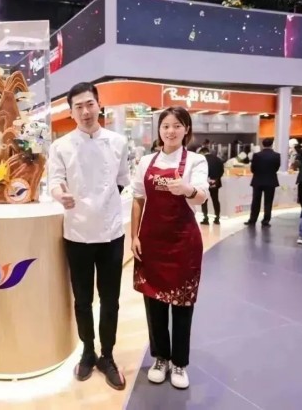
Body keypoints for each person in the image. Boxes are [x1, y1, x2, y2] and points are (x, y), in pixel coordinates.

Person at [48, 82, 130, 390]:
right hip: (77, 233)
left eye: (89, 104)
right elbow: (55, 181)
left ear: (99, 105)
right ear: (71, 112)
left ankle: (107, 355)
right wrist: (61, 195)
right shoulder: (61, 146)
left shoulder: (118, 142)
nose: (85, 111)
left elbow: (121, 180)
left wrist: (104, 204)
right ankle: (87, 351)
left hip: (111, 233)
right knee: (82, 300)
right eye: (78, 106)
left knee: (110, 300)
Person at [131, 106, 209, 390]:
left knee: (182, 304)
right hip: (151, 242)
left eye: (177, 125)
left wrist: (186, 189)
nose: (171, 131)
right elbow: (138, 198)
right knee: (154, 303)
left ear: (186, 129)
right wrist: (134, 235)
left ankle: (179, 363)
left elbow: (201, 196)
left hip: (183, 242)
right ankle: (161, 357)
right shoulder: (146, 161)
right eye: (166, 126)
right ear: (159, 130)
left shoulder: (196, 161)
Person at [245, 138, 280, 227]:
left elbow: (253, 168)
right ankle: (266, 220)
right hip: (271, 181)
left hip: (258, 180)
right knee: (268, 202)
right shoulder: (276, 155)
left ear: (262, 144)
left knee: (255, 201)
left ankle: (252, 220)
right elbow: (276, 168)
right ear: (272, 144)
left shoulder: (257, 155)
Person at [199, 147, 224, 225]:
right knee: (215, 200)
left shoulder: (202, 160)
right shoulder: (218, 159)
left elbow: (200, 171)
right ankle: (217, 218)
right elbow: (222, 171)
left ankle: (205, 218)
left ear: (202, 152)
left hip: (205, 183)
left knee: (204, 201)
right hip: (215, 183)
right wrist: (215, 179)